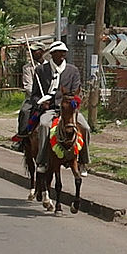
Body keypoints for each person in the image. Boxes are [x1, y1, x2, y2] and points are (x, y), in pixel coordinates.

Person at [33, 41, 91, 174]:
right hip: (51, 109)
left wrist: (73, 104)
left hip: (69, 110)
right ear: (52, 54)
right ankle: (42, 161)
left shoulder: (73, 71)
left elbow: (77, 93)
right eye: (60, 52)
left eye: (64, 52)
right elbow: (35, 95)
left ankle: (83, 162)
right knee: (44, 126)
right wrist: (41, 103)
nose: (63, 55)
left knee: (86, 128)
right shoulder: (41, 70)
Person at [11, 41, 46, 152]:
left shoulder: (49, 66)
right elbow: (28, 85)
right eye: (32, 51)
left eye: (35, 51)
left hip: (48, 97)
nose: (33, 53)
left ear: (42, 52)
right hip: (33, 98)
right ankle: (22, 139)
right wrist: (38, 96)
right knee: (24, 111)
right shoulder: (27, 68)